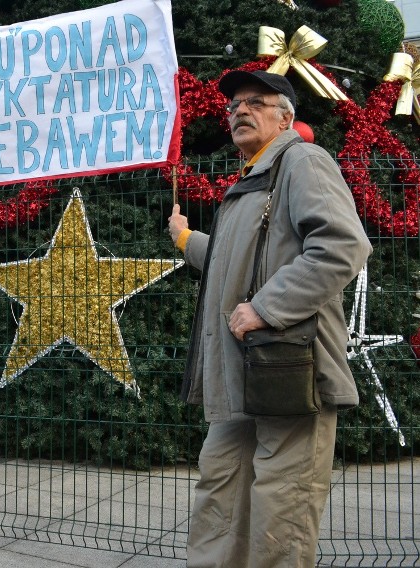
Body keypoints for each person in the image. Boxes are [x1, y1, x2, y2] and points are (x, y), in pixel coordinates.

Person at [168, 70, 371, 567]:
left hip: (289, 372)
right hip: (239, 374)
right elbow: (236, 260)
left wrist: (263, 308)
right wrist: (184, 239)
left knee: (282, 504)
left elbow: (342, 246)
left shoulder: (301, 160)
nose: (239, 111)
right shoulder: (251, 181)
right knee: (221, 493)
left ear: (286, 117)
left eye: (255, 102)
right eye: (234, 105)